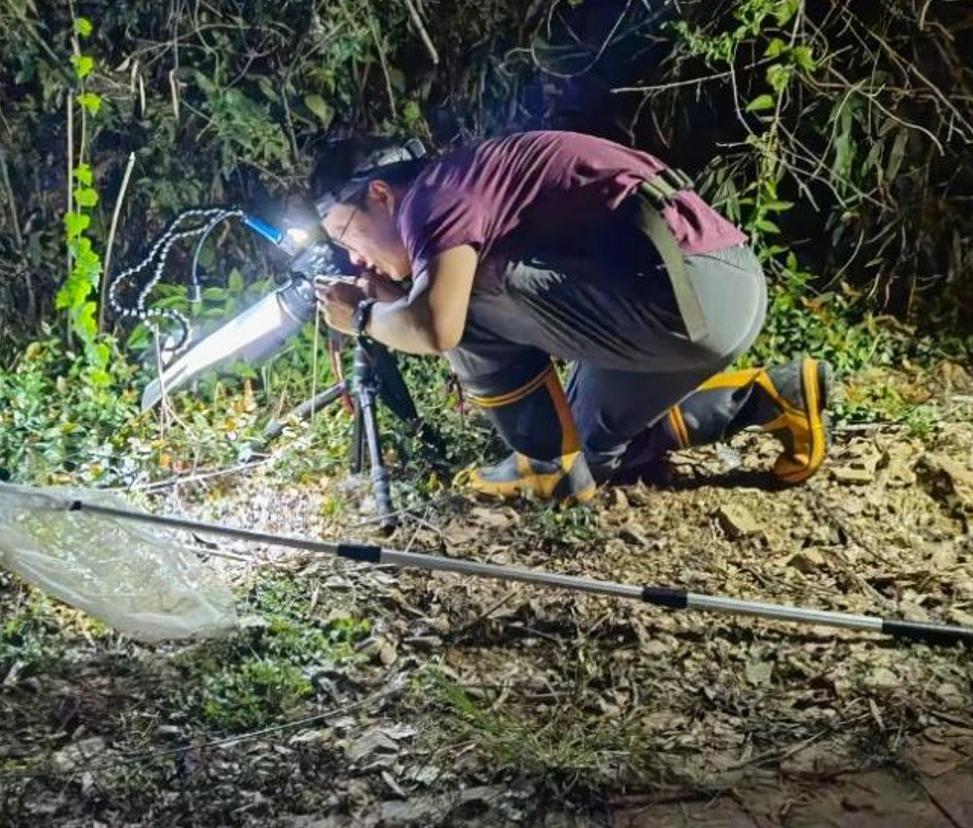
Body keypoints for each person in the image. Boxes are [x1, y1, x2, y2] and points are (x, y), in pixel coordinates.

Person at [312, 131, 831, 503]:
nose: (354, 256)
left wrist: (362, 317)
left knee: (459, 302)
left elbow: (436, 325)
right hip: (717, 287)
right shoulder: (462, 179)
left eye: (346, 233)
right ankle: (770, 397)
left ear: (380, 194)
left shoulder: (429, 198)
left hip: (682, 291)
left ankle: (542, 467)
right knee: (590, 453)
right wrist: (390, 304)